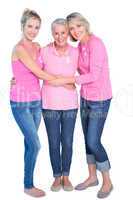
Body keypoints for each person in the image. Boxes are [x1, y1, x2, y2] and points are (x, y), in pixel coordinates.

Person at [48, 12, 113, 198]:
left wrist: (67, 80)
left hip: (100, 99)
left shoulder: (96, 43)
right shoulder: (80, 46)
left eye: (78, 26)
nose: (75, 31)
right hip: (85, 98)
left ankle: (107, 181)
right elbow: (68, 65)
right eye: (72, 28)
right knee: (87, 141)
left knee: (94, 141)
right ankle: (92, 177)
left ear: (85, 24)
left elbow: (94, 75)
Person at [10, 9, 59, 197]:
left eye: (37, 27)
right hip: (20, 103)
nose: (33, 30)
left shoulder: (37, 46)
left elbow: (46, 62)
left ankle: (27, 183)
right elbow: (39, 73)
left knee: (30, 144)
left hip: (36, 102)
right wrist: (62, 79)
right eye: (29, 26)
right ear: (22, 26)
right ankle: (28, 185)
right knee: (36, 144)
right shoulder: (19, 49)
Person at [41, 18, 78, 192]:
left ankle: (66, 176)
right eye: (56, 33)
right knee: (54, 142)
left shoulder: (75, 52)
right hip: (49, 104)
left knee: (68, 142)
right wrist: (16, 79)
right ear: (52, 34)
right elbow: (35, 72)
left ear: (68, 33)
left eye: (63, 32)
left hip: (70, 104)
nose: (60, 36)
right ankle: (57, 176)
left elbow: (85, 75)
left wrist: (67, 81)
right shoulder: (44, 51)